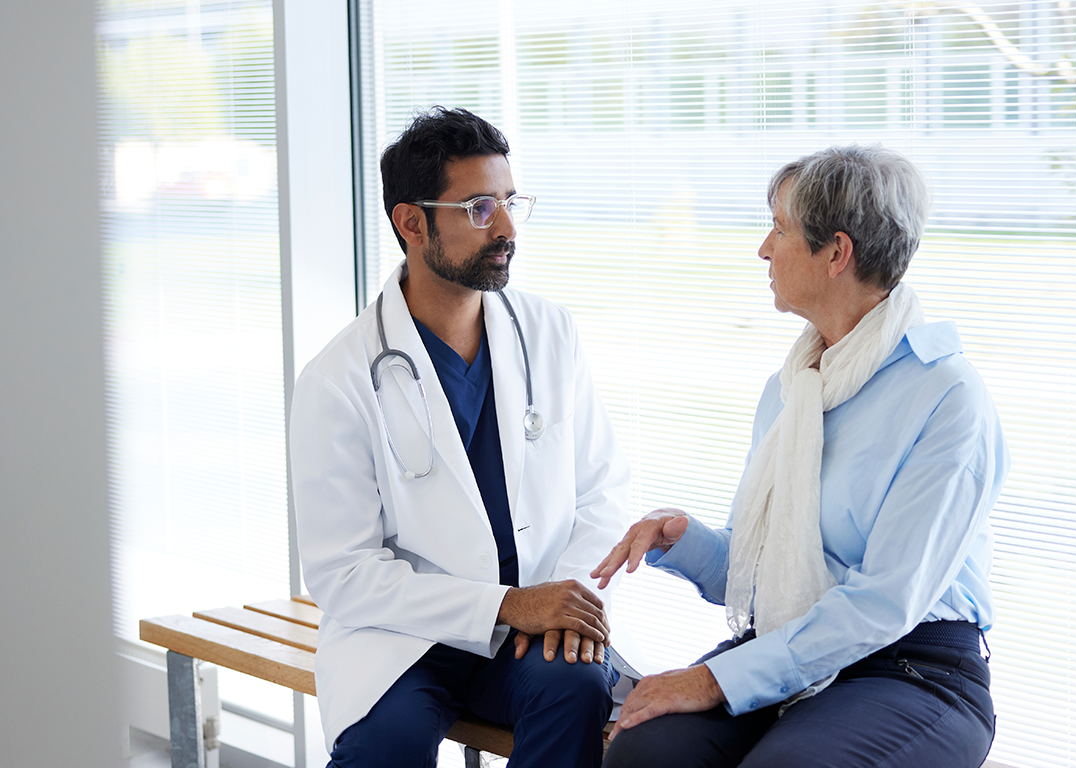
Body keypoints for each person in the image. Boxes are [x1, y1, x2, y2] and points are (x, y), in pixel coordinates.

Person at [592, 145, 1009, 768]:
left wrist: (712, 680)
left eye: (780, 228)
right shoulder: (795, 385)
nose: (764, 248)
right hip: (789, 644)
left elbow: (883, 604)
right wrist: (683, 541)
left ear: (836, 253)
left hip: (912, 668)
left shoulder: (947, 396)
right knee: (643, 751)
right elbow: (768, 570)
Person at [289, 106, 640, 768]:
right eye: (480, 208)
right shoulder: (337, 379)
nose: (507, 228)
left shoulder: (550, 333)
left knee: (575, 687)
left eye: (510, 202)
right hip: (402, 639)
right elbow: (345, 573)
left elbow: (602, 491)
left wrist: (564, 599)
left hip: (533, 634)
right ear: (412, 223)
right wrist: (509, 603)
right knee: (384, 749)